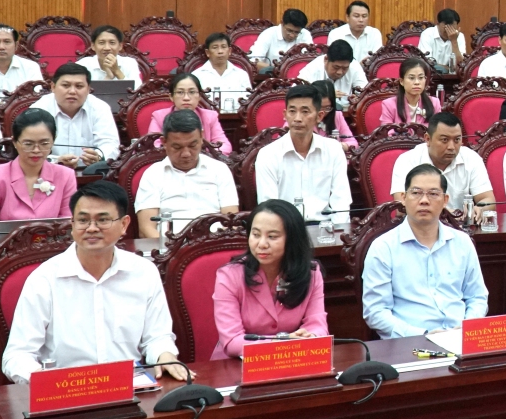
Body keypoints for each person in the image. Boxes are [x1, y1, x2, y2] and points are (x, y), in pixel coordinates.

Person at [1, 182, 185, 385]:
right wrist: (45, 381)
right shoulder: (45, 278)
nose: (91, 228)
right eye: (83, 220)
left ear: (124, 224)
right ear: (72, 224)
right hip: (67, 389)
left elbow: (157, 337)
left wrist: (164, 355)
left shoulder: (144, 272)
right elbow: (17, 355)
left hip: (129, 386)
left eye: (103, 220)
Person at [364, 165, 489, 338]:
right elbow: (375, 312)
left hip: (460, 338)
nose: (424, 200)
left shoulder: (462, 242)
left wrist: (466, 328)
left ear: (445, 200)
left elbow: (477, 297)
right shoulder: (383, 248)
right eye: (416, 193)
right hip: (410, 343)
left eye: (433, 194)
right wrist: (421, 335)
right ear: (403, 198)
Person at [212, 199, 328, 359]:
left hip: (293, 360)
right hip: (237, 364)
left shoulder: (311, 273)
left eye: (272, 236)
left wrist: (309, 337)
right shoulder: (229, 276)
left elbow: (318, 326)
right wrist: (282, 344)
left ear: (292, 239)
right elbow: (232, 340)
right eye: (256, 235)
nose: (261, 244)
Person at [0, 108, 75, 251]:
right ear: (15, 142)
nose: (36, 150)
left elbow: (69, 228)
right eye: (28, 144)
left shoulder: (66, 176)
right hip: (6, 256)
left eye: (44, 143)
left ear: (53, 141)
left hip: (51, 256)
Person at [134, 109, 239, 238]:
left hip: (213, 242)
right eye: (177, 147)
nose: (186, 154)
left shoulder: (219, 170)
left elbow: (231, 222)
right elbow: (146, 229)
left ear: (201, 137)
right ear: (164, 142)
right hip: (168, 244)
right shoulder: (153, 175)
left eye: (192, 145)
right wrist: (171, 248)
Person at [254, 85, 352, 218]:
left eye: (305, 112)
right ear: (285, 115)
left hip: (325, 226)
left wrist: (339, 228)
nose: (297, 118)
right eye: (292, 111)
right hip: (285, 227)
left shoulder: (333, 150)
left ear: (319, 116)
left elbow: (341, 201)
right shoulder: (268, 155)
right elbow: (269, 207)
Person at [390, 112, 494, 219]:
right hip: (421, 225)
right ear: (428, 139)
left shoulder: (471, 158)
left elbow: (488, 200)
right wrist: (448, 214)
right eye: (444, 140)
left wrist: (479, 209)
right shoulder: (407, 160)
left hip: (461, 225)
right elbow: (401, 206)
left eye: (457, 140)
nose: (451, 147)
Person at [30, 63, 119, 169]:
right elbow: (29, 149)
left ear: (88, 89)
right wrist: (56, 161)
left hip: (90, 173)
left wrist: (99, 156)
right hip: (48, 172)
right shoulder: (39, 109)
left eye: (79, 86)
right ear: (53, 87)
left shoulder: (100, 108)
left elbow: (110, 143)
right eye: (66, 85)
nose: (72, 91)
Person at [146, 73, 231, 154]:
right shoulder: (159, 117)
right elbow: (153, 146)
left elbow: (225, 146)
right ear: (171, 97)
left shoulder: (210, 116)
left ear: (199, 96)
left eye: (192, 92)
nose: (186, 98)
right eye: (180, 92)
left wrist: (197, 155)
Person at [190, 33, 253, 113]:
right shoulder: (196, 75)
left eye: (223, 47)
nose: (220, 51)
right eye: (215, 47)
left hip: (237, 117)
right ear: (207, 52)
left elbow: (248, 102)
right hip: (206, 118)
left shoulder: (242, 74)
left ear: (229, 51)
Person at [296, 39, 367, 110]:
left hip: (347, 112)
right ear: (326, 59)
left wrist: (358, 98)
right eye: (336, 67)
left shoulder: (354, 66)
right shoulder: (313, 68)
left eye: (345, 68)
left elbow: (366, 92)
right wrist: (324, 94)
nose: (340, 72)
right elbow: (297, 93)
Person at [377, 57, 441, 127]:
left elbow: (438, 130)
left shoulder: (434, 103)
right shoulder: (389, 104)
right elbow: (386, 131)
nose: (417, 82)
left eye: (421, 78)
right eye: (411, 78)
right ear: (401, 81)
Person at [76, 25, 143, 88]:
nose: (107, 48)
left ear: (120, 46)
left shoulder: (130, 63)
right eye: (101, 43)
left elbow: (138, 92)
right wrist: (108, 78)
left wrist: (117, 71)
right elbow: (79, 92)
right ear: (93, 46)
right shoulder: (82, 65)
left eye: (112, 42)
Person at [418, 8, 468, 74]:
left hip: (453, 77)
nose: (448, 31)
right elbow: (426, 61)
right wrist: (446, 68)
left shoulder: (459, 36)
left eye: (452, 28)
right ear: (438, 23)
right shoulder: (427, 34)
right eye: (446, 27)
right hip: (430, 74)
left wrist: (454, 41)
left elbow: (460, 65)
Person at [310, 79, 357, 149]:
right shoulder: (300, 118)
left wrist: (338, 146)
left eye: (327, 108)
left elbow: (353, 143)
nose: (323, 112)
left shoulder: (337, 115)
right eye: (319, 107)